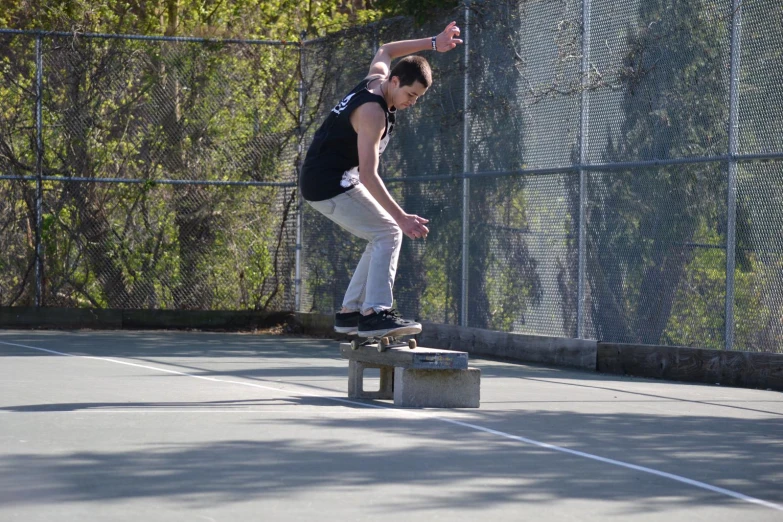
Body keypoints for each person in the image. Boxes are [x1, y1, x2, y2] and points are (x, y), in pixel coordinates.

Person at [300, 22, 463, 338]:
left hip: (330, 178)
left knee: (380, 235)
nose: (411, 103)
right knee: (389, 230)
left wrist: (433, 42)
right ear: (396, 80)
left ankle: (350, 312)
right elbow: (368, 174)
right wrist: (400, 217)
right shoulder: (372, 113)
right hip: (327, 184)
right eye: (410, 94)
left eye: (418, 98)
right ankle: (375, 312)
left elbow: (386, 50)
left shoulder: (376, 79)